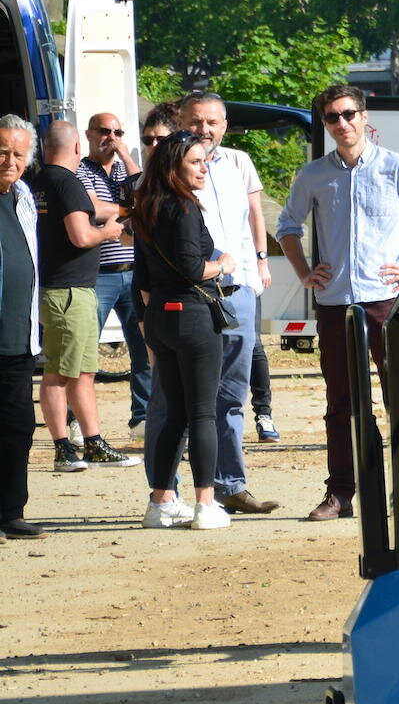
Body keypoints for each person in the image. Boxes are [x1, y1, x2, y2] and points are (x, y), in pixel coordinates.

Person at [276, 83, 399, 520]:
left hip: (386, 303)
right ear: (325, 124)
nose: (342, 124)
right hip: (335, 303)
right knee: (341, 403)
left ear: (364, 117)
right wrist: (305, 272)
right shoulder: (314, 175)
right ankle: (340, 493)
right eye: (332, 118)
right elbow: (287, 225)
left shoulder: (396, 167)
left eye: (348, 114)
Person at [162, 93, 278, 512]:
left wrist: (258, 264)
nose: (204, 130)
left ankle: (229, 485)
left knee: (230, 396)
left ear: (225, 125)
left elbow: (253, 215)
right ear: (180, 120)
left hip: (238, 292)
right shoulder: (165, 168)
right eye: (196, 122)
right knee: (176, 399)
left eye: (212, 122)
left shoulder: (238, 162)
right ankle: (167, 490)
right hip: (192, 297)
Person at [133, 131, 237, 530]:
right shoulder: (184, 208)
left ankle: (161, 501)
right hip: (193, 315)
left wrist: (154, 321)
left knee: (173, 412)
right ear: (173, 165)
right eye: (195, 162)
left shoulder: (144, 207)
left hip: (159, 314)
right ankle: (205, 504)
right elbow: (195, 268)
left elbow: (141, 278)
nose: (203, 168)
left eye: (204, 161)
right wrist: (224, 264)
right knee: (202, 413)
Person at [32, 121, 139, 472]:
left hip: (61, 287)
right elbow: (81, 236)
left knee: (81, 372)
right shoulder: (68, 182)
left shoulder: (40, 180)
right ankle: (64, 448)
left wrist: (112, 215)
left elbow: (95, 210)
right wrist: (108, 232)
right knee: (59, 373)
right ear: (78, 147)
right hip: (68, 290)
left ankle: (93, 442)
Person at [78, 111, 152, 436]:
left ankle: (143, 417)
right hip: (100, 273)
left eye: (117, 131)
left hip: (135, 271)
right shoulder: (79, 170)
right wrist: (129, 208)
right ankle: (76, 421)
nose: (110, 136)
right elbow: (91, 208)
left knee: (143, 348)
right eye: (104, 131)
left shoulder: (125, 168)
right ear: (90, 133)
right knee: (84, 349)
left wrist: (126, 155)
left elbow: (147, 196)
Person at [0, 116, 47, 539]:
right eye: (2, 151)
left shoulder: (23, 195)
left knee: (18, 427)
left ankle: (10, 511)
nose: (10, 161)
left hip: (19, 339)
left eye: (18, 153)